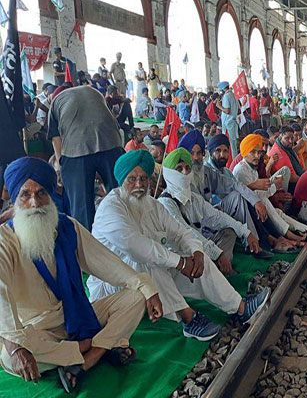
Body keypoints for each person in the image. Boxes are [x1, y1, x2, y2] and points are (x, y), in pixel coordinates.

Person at [0, 157, 162, 393]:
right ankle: (99, 346)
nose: (34, 202)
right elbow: (1, 295)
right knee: (8, 356)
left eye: (41, 193)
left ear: (50, 195)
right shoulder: (4, 241)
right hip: (38, 330)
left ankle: (90, 357)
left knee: (136, 296)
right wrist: (16, 347)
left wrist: (146, 288)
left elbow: (107, 263)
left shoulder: (67, 227)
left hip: (77, 315)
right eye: (25, 195)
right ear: (15, 199)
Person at [88, 150, 270, 342]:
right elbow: (137, 247)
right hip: (115, 289)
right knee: (149, 261)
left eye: (143, 179)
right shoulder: (110, 208)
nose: (139, 185)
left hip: (152, 283)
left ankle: (241, 308)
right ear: (121, 180)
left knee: (194, 257)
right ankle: (189, 320)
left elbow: (180, 233)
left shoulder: (152, 205)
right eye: (132, 179)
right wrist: (180, 263)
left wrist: (196, 252)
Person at [179, 130, 274, 259]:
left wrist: (256, 201)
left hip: (211, 218)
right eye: (191, 153)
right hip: (195, 228)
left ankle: (253, 245)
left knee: (238, 197)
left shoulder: (206, 172)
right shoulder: (179, 179)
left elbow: (234, 185)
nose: (195, 158)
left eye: (199, 153)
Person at [158, 148, 251, 275]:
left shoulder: (194, 198)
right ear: (169, 173)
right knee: (195, 251)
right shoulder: (165, 203)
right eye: (179, 169)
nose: (184, 173)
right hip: (181, 255)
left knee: (229, 231)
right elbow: (186, 234)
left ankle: (219, 270)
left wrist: (245, 232)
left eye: (187, 168)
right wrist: (217, 253)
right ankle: (215, 272)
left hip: (200, 244)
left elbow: (217, 217)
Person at [47, 85, 123, 231]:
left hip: (77, 150)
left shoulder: (56, 102)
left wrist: (62, 165)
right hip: (111, 143)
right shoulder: (94, 92)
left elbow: (55, 138)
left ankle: (86, 240)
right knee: (120, 195)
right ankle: (122, 231)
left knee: (82, 206)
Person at [234, 135, 307, 245]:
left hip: (259, 201)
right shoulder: (241, 171)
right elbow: (253, 196)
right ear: (245, 153)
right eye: (253, 152)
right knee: (265, 202)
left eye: (259, 152)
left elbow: (260, 191)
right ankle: (289, 235)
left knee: (277, 211)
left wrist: (273, 188)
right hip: (247, 209)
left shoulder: (252, 167)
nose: (257, 156)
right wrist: (274, 187)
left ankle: (304, 229)